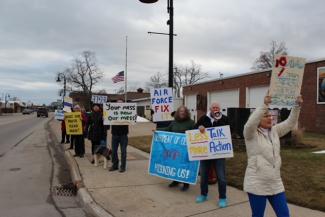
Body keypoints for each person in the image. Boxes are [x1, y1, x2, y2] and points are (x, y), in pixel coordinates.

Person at [243, 95, 302, 217]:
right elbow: (249, 125)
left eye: (270, 115)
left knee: (284, 214)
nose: (270, 118)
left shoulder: (275, 131)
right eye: (266, 116)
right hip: (256, 183)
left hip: (275, 182)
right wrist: (264, 106)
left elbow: (290, 123)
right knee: (258, 215)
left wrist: (296, 106)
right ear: (258, 119)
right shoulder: (251, 134)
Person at [195, 102, 229, 208]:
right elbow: (195, 128)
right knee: (204, 176)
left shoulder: (224, 118)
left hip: (219, 152)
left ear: (220, 109)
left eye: (217, 107)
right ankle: (203, 195)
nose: (215, 109)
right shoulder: (204, 118)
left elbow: (230, 130)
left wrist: (219, 122)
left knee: (221, 177)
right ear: (210, 109)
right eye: (213, 107)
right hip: (206, 153)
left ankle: (222, 197)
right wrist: (199, 127)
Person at [157, 106, 195, 191]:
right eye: (180, 111)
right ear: (178, 112)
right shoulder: (174, 122)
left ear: (186, 113)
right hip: (175, 149)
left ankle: (186, 183)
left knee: (184, 166)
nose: (182, 112)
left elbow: (194, 134)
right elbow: (167, 129)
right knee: (174, 164)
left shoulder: (191, 123)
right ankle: (175, 181)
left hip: (185, 149)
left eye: (184, 111)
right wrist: (157, 130)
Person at [109, 99, 129, 173]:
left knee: (123, 152)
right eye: (118, 103)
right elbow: (108, 120)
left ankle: (123, 167)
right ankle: (115, 165)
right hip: (114, 134)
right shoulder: (112, 111)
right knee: (114, 151)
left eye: (121, 103)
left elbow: (132, 120)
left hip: (123, 135)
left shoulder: (127, 111)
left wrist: (133, 116)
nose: (119, 104)